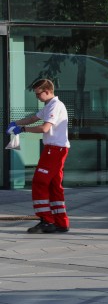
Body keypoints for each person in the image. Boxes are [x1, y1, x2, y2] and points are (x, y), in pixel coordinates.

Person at [6, 79, 70, 234]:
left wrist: (23, 128)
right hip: (56, 149)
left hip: (54, 150)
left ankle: (46, 220)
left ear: (47, 91)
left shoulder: (55, 105)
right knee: (54, 186)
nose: (37, 97)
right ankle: (61, 222)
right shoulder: (49, 105)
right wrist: (15, 122)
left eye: (38, 94)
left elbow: (45, 127)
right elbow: (34, 118)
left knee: (39, 183)